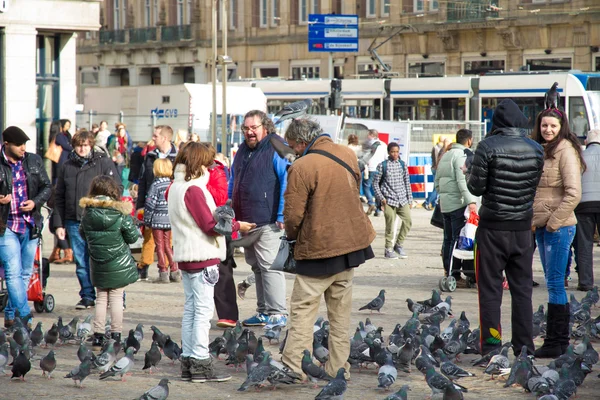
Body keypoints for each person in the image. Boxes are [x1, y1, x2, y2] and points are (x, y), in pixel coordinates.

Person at [281, 118, 375, 380]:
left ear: (301, 142)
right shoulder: (346, 153)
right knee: (340, 316)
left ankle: (294, 367)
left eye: (293, 146)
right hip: (350, 247)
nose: (293, 151)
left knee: (302, 311)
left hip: (318, 250)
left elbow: (292, 215)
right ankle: (338, 368)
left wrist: (292, 237)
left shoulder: (302, 166)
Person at [167, 141, 254, 383]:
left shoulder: (176, 186)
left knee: (191, 310)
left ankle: (188, 361)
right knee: (202, 313)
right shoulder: (193, 189)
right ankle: (200, 362)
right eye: (207, 161)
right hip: (202, 256)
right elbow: (210, 225)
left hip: (186, 255)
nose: (211, 165)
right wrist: (238, 226)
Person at [467, 99, 544, 357]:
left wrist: (469, 172)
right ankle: (525, 348)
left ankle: (491, 348)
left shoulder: (487, 146)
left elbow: (475, 188)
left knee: (490, 291)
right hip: (523, 229)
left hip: (492, 229)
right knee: (522, 291)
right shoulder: (536, 149)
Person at [228, 110, 290, 327]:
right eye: (246, 128)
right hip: (246, 220)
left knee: (270, 267)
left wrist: (282, 213)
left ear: (265, 127)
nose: (249, 132)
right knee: (257, 267)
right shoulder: (243, 149)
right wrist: (229, 202)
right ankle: (264, 311)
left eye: (253, 127)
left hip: (269, 219)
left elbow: (287, 180)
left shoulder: (277, 146)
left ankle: (278, 313)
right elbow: (234, 178)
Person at [531, 107, 585, 358]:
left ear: (561, 127)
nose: (548, 130)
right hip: (542, 226)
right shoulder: (540, 149)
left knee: (554, 284)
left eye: (553, 126)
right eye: (544, 126)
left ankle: (555, 341)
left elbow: (574, 193)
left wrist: (553, 222)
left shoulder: (566, 151)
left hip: (559, 227)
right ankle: (558, 342)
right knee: (553, 282)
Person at [54, 130, 122, 309]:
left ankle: (114, 296)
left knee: (105, 259)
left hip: (99, 220)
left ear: (90, 145)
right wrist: (58, 223)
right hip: (74, 220)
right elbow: (59, 196)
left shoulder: (103, 162)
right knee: (81, 262)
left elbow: (117, 189)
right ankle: (87, 295)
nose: (82, 149)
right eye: (78, 145)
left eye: (85, 145)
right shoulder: (67, 166)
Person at [0, 126, 52, 329]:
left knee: (24, 273)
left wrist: (35, 202)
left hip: (30, 224)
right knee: (12, 273)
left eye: (25, 144)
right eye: (19, 144)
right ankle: (25, 317)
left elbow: (47, 187)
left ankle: (11, 313)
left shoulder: (33, 160)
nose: (23, 148)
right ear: (6, 144)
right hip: (6, 226)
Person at [80, 175, 139, 350]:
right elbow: (133, 237)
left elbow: (83, 234)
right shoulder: (120, 213)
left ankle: (98, 336)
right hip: (118, 262)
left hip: (97, 261)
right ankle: (116, 335)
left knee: (100, 298)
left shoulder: (88, 212)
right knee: (116, 298)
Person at [434, 129, 477, 287]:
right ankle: (454, 274)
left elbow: (437, 181)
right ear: (469, 141)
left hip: (445, 205)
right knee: (458, 241)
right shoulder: (461, 156)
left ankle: (449, 271)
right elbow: (462, 181)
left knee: (448, 239)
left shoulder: (446, 154)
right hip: (458, 204)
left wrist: (445, 196)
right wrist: (471, 201)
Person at [136, 125, 177, 280]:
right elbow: (142, 182)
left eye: (156, 136)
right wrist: (140, 205)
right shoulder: (150, 155)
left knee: (167, 241)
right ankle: (143, 267)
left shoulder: (178, 156)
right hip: (150, 205)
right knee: (148, 238)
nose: (153, 138)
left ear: (164, 138)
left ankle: (167, 269)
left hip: (169, 209)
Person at [372, 142, 413, 259]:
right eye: (392, 152)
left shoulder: (402, 165)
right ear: (388, 152)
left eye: (397, 151)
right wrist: (382, 198)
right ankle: (388, 248)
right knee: (390, 225)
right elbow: (375, 184)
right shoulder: (382, 166)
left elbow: (407, 182)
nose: (395, 154)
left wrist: (410, 199)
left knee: (408, 222)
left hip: (402, 199)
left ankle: (399, 244)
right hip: (389, 200)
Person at [573, 129, 600, 291]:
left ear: (585, 142)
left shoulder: (579, 157)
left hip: (583, 205)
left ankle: (585, 282)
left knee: (584, 244)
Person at [144, 158, 178, 283]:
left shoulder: (156, 185)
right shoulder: (172, 183)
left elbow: (150, 204)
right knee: (168, 245)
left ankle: (163, 271)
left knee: (159, 246)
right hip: (169, 219)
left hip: (157, 219)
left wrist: (147, 221)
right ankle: (175, 270)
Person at [362, 129, 387, 216]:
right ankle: (378, 209)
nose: (367, 136)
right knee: (378, 189)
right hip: (380, 169)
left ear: (372, 135)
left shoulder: (368, 144)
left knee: (366, 186)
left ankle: (370, 202)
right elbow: (386, 157)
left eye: (368, 135)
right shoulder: (383, 144)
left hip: (370, 168)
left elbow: (365, 157)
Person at [423, 137, 444, 210]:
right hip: (436, 169)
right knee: (436, 188)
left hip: (435, 168)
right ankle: (427, 202)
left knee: (436, 188)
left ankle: (433, 203)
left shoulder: (437, 148)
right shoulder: (437, 149)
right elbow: (437, 159)